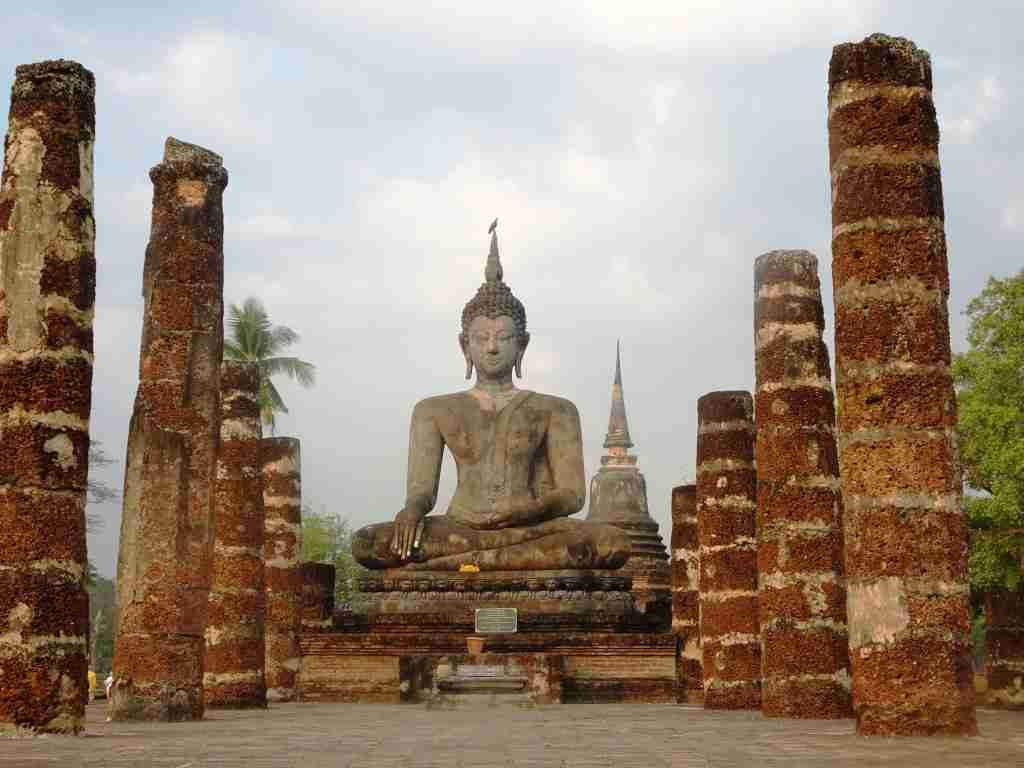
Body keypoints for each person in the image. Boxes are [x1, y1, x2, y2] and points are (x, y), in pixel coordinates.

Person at [352, 224, 629, 571]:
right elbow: (423, 492)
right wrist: (411, 511)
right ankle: (484, 561)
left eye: (503, 337)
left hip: (531, 529)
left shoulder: (555, 410)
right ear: (464, 345)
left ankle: (460, 567)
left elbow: (572, 495)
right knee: (366, 543)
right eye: (481, 337)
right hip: (459, 529)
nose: (492, 347)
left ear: (522, 344)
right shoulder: (433, 410)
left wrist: (524, 512)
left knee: (610, 543)